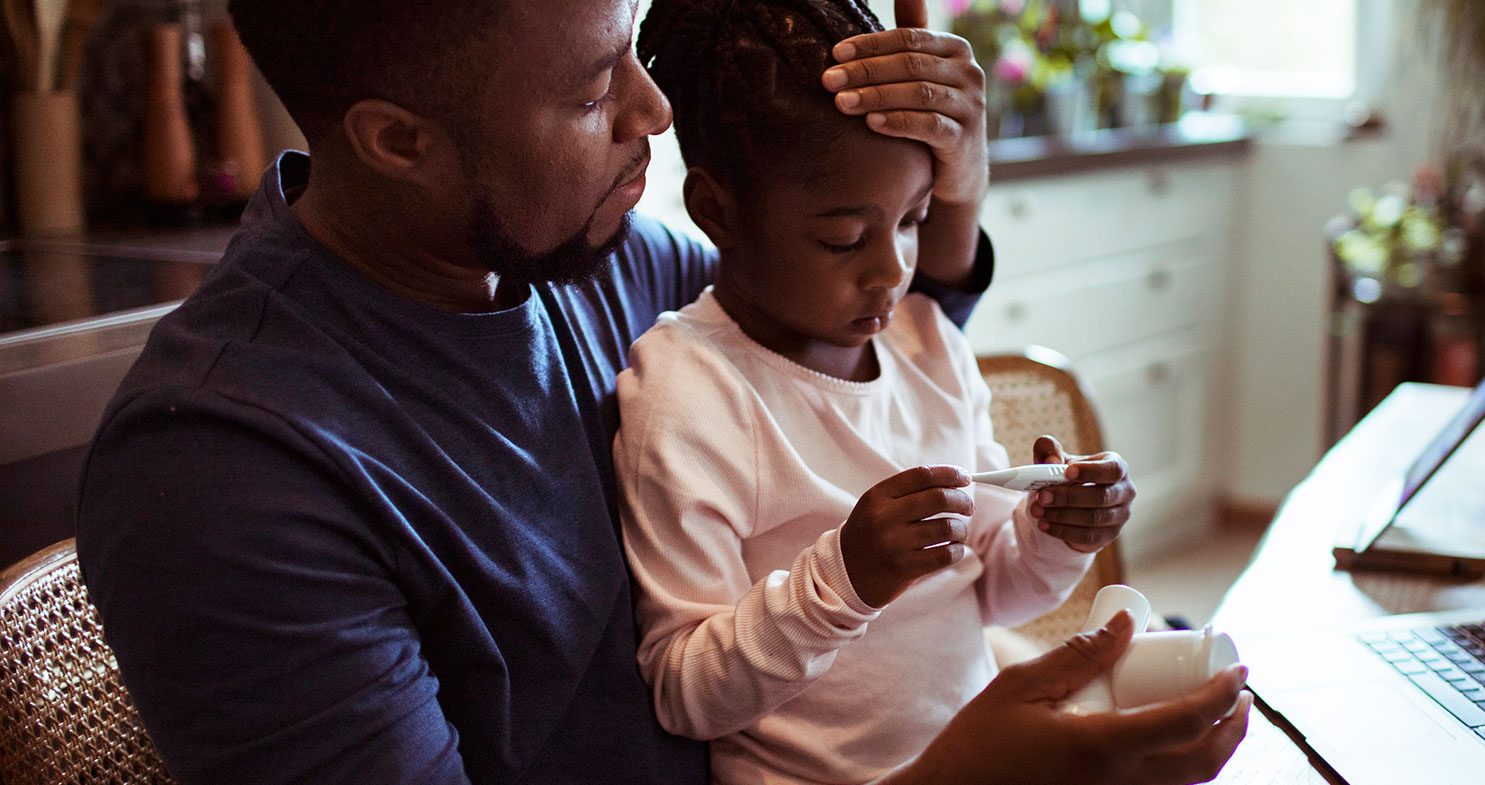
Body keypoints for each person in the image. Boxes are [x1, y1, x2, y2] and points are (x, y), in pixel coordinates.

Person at [71, 0, 1249, 783]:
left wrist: (951, 196)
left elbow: (835, 368)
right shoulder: (229, 476)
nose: (655, 111)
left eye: (632, 44)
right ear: (397, 138)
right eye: (593, 93)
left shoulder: (595, 258)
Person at [613, 2, 1133, 782]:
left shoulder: (927, 344)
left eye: (915, 219)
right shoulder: (688, 396)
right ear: (716, 210)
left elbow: (991, 589)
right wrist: (845, 579)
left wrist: (1057, 534)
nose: (892, 269)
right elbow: (687, 692)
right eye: (845, 239)